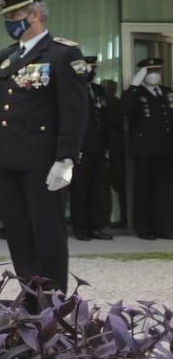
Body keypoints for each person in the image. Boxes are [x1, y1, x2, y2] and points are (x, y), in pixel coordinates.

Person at [0, 0, 87, 297]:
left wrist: (66, 158)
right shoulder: (7, 55)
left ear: (36, 14)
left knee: (48, 234)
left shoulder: (63, 54)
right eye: (8, 18)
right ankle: (31, 299)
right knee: (18, 235)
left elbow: (76, 111)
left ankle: (53, 304)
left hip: (42, 163)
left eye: (15, 16)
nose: (11, 23)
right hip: (7, 160)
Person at [122, 57, 172, 241]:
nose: (155, 75)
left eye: (157, 71)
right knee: (143, 189)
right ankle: (143, 228)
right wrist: (134, 86)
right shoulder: (136, 94)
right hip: (144, 150)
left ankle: (162, 227)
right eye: (150, 71)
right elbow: (125, 109)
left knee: (162, 190)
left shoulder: (166, 92)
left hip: (165, 150)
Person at [71, 55, 115, 241]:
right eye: (88, 68)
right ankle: (80, 228)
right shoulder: (73, 90)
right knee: (80, 190)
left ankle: (96, 226)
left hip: (98, 148)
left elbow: (106, 120)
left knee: (98, 190)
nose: (91, 72)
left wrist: (107, 146)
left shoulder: (98, 91)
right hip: (79, 149)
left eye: (93, 69)